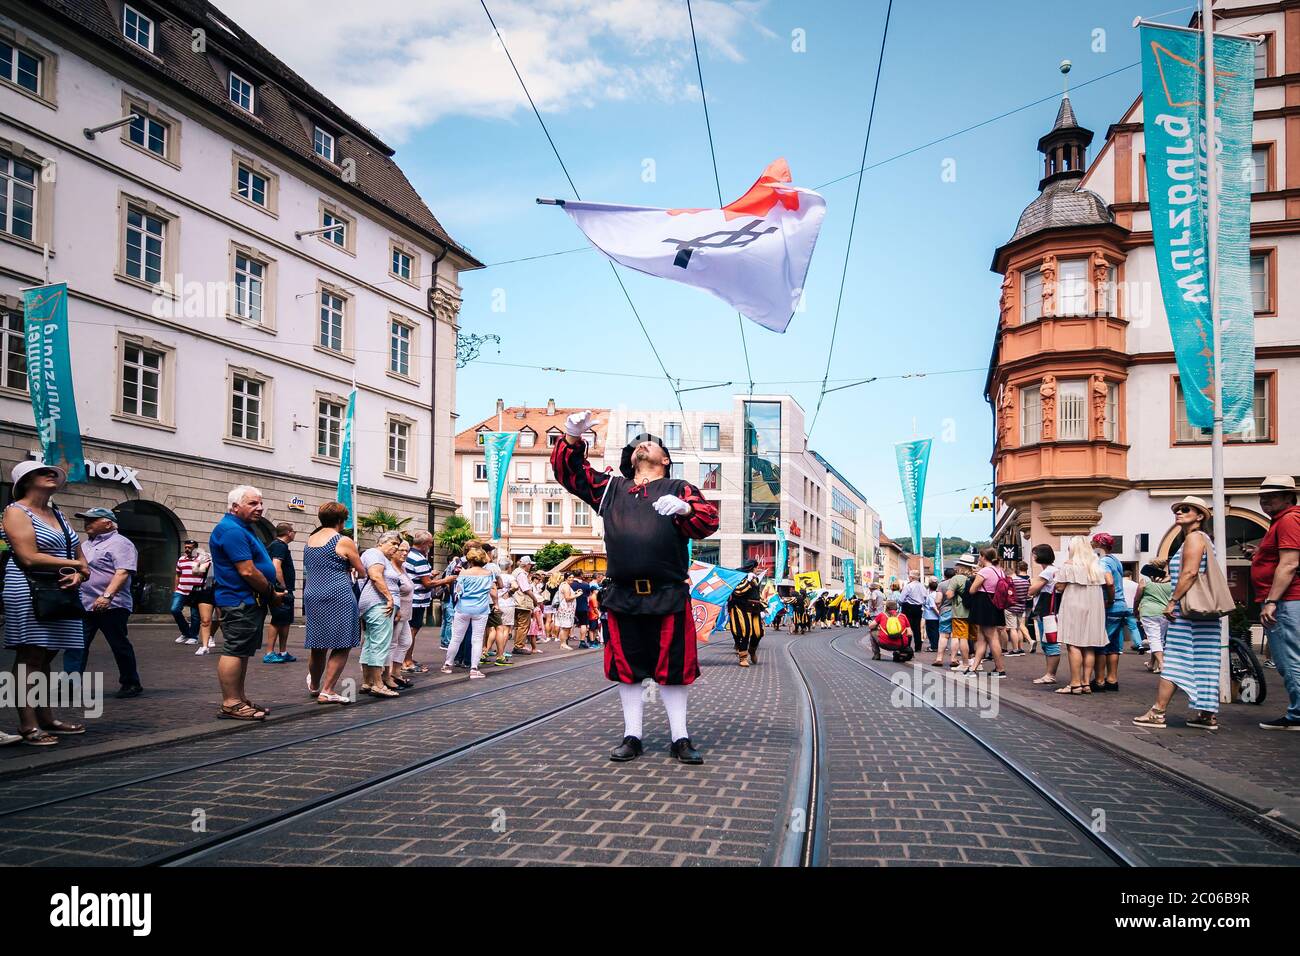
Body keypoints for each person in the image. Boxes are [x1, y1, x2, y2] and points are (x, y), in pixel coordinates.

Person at [552, 413, 719, 765]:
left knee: (674, 668)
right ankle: (633, 735)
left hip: (668, 592)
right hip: (623, 593)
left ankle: (680, 737)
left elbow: (708, 521)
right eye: (638, 445)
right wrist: (570, 438)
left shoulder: (679, 488)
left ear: (666, 459)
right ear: (630, 460)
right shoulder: (612, 489)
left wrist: (687, 508)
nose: (644, 444)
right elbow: (571, 475)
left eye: (652, 443)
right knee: (626, 667)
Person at [1, 461, 90, 746]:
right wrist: (75, 564)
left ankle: (46, 716)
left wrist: (79, 574)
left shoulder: (58, 514)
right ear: (26, 481)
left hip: (59, 590)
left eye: (53, 472)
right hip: (28, 587)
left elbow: (82, 561)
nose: (51, 474)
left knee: (48, 654)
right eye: (43, 472)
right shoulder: (16, 512)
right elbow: (28, 556)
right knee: (31, 656)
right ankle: (28, 724)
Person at [1134, 497, 1222, 729]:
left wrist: (1173, 601)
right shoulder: (1202, 539)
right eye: (1177, 509)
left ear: (1200, 516)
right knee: (1205, 660)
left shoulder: (1193, 538)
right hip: (1204, 613)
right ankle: (1206, 714)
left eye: (1186, 510)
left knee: (1173, 660)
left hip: (1188, 611)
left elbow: (1191, 572)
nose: (1179, 512)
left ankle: (1157, 712)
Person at [209, 485, 282, 720]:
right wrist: (271, 593)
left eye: (260, 503)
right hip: (239, 599)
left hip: (247, 600)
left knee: (242, 651)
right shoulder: (232, 530)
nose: (260, 508)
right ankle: (231, 702)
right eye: (253, 503)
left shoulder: (243, 528)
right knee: (235, 649)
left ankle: (239, 699)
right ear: (235, 506)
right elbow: (248, 571)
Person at [65, 507, 143, 698]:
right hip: (84, 603)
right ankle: (69, 686)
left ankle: (131, 683)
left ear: (108, 523)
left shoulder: (121, 543)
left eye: (92, 520)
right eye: (85, 520)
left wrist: (107, 596)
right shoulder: (85, 545)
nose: (87, 523)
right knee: (76, 645)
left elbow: (123, 572)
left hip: (112, 605)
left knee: (119, 645)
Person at [1249, 476, 1300, 730]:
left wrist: (1271, 601)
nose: (1266, 499)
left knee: (1289, 659)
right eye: (1263, 495)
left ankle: (1298, 714)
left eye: (1274, 494)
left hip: (1286, 602)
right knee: (1287, 659)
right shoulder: (1280, 521)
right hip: (1286, 600)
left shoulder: (1289, 519)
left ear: (1290, 496)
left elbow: (1289, 563)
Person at [302, 501, 363, 704]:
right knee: (342, 643)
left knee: (318, 644)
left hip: (312, 592)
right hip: (338, 593)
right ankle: (328, 690)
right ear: (341, 520)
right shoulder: (342, 540)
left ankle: (314, 685)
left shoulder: (311, 539)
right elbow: (361, 570)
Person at [1053, 536, 1110, 695]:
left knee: (1073, 644)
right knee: (1089, 645)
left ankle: (1075, 683)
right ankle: (1086, 683)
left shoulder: (1068, 565)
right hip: (1094, 605)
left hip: (1074, 603)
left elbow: (1059, 587)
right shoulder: (1096, 566)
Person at [358, 531, 402, 697]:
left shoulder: (379, 556)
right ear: (382, 542)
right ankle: (378, 684)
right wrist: (389, 598)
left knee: (371, 643)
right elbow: (375, 576)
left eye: (397, 545)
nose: (396, 548)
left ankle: (368, 682)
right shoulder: (375, 554)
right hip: (378, 604)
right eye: (393, 544)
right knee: (379, 644)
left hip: (375, 604)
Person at [442, 546, 495, 678]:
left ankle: (448, 665)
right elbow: (492, 590)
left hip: (463, 608)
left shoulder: (464, 573)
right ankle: (474, 668)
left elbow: (458, 591)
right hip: (481, 609)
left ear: (470, 559)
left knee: (456, 638)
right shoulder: (489, 574)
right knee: (477, 640)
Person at [1091, 533, 1128, 690]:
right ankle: (1112, 679)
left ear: (1099, 545)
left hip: (1111, 606)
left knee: (1101, 643)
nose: (1091, 546)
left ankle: (1099, 680)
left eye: (1093, 543)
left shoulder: (1103, 561)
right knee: (1113, 645)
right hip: (1122, 606)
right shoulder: (1115, 560)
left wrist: (1110, 600)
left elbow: (1109, 582)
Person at [964, 548, 1008, 678]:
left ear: (983, 557)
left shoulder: (985, 571)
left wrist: (974, 577)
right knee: (982, 638)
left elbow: (972, 590)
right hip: (994, 604)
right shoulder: (1000, 571)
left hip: (984, 604)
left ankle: (1000, 669)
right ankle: (973, 668)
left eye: (980, 556)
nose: (979, 558)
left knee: (991, 637)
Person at [263, 523, 297, 664]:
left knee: (285, 620)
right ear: (288, 533)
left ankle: (282, 651)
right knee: (277, 620)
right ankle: (269, 653)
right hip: (280, 590)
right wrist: (283, 587)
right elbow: (276, 566)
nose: (295, 533)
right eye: (293, 531)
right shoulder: (279, 546)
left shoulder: (279, 546)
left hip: (283, 589)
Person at [403, 531, 437, 674]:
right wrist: (446, 580)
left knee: (408, 630)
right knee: (411, 631)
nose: (431, 545)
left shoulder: (408, 555)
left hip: (411, 598)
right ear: (424, 544)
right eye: (430, 543)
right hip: (417, 600)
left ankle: (406, 658)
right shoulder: (419, 558)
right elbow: (427, 583)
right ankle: (407, 661)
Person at [1028, 544, 1061, 685]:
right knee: (1049, 642)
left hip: (1046, 611)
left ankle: (1050, 674)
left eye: (1034, 554)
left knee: (1050, 643)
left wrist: (1033, 586)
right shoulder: (1055, 570)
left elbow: (1032, 590)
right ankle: (1050, 674)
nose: (1033, 556)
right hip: (1052, 610)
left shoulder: (1047, 572)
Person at [727, 558, 765, 667]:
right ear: (753, 567)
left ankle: (752, 650)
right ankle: (743, 657)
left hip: (755, 608)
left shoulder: (755, 579)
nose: (758, 569)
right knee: (745, 631)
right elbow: (738, 591)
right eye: (757, 567)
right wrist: (747, 580)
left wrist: (763, 607)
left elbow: (757, 594)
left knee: (758, 633)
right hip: (742, 607)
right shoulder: (740, 576)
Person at [388, 541, 416, 689]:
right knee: (392, 643)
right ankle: (386, 675)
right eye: (402, 550)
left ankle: (396, 673)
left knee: (405, 642)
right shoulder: (391, 570)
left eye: (407, 550)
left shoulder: (403, 567)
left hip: (405, 613)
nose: (405, 553)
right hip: (397, 613)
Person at [1136, 561, 1170, 675]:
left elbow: (1137, 596)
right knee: (1159, 639)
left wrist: (1135, 609)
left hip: (1149, 612)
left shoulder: (1145, 581)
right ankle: (1151, 663)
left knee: (1153, 639)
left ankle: (1161, 664)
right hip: (1164, 613)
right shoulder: (1170, 582)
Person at [189, 546, 220, 655]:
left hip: (223, 590)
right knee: (205, 620)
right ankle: (205, 646)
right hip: (207, 589)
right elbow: (196, 572)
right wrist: (199, 563)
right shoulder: (209, 559)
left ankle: (227, 642)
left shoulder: (229, 559)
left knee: (222, 619)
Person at [171, 538, 202, 645]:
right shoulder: (181, 559)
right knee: (174, 610)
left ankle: (194, 637)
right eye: (186, 547)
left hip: (196, 591)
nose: (187, 549)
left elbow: (204, 574)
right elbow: (178, 574)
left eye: (190, 547)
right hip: (181, 590)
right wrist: (175, 589)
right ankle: (185, 633)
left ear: (195, 548)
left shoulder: (202, 559)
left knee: (195, 615)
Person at [1004, 561, 1031, 656]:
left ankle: (1015, 649)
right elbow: (1028, 595)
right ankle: (1021, 648)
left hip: (1011, 607)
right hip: (1021, 607)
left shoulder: (1010, 582)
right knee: (1019, 628)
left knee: (1012, 629)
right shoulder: (1025, 582)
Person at [511, 555, 536, 656]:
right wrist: (535, 599)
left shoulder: (516, 571)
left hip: (516, 601)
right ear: (526, 564)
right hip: (522, 602)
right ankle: (519, 646)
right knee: (523, 624)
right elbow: (526, 589)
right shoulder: (521, 574)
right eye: (530, 564)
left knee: (518, 625)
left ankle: (518, 644)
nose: (531, 566)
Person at [899, 569, 927, 654]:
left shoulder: (909, 586)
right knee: (917, 628)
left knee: (908, 627)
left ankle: (907, 646)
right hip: (918, 608)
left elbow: (901, 599)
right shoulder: (922, 586)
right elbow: (925, 598)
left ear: (911, 577)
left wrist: (901, 604)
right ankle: (918, 647)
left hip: (908, 608)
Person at [555, 571, 578, 645]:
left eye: (572, 577)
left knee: (567, 627)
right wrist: (577, 595)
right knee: (565, 627)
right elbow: (567, 598)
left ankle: (564, 643)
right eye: (569, 577)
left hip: (567, 609)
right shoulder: (566, 586)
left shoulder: (565, 585)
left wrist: (575, 593)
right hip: (566, 609)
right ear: (565, 578)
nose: (571, 579)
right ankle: (563, 644)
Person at [922, 579, 941, 654]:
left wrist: (938, 614)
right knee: (936, 631)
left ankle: (934, 646)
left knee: (931, 632)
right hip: (936, 617)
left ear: (929, 588)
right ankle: (936, 645)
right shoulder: (938, 594)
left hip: (930, 616)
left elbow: (933, 606)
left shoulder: (930, 596)